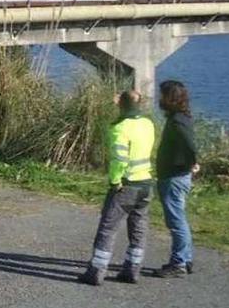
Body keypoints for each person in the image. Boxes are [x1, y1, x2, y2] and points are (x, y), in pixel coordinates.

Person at [79, 90, 155, 286]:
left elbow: (119, 159)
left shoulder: (119, 128)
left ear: (121, 104)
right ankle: (133, 269)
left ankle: (97, 271)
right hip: (146, 182)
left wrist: (115, 181)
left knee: (108, 228)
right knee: (138, 227)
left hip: (126, 184)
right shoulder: (148, 124)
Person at [154, 80, 199, 278]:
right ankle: (186, 258)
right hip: (177, 175)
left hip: (174, 176)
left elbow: (190, 144)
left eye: (162, 95)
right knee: (179, 218)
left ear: (169, 98)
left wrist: (192, 161)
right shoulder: (181, 117)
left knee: (176, 221)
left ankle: (179, 262)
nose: (159, 98)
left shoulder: (178, 121)